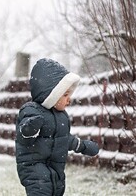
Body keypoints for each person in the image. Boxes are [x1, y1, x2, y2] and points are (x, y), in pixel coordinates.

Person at [15, 58, 99, 196]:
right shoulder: (31, 110)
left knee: (57, 189)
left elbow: (64, 139)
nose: (69, 99)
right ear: (51, 95)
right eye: (65, 94)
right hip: (33, 167)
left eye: (69, 94)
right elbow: (23, 137)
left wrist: (82, 145)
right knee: (42, 190)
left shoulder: (61, 116)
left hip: (56, 167)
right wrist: (30, 128)